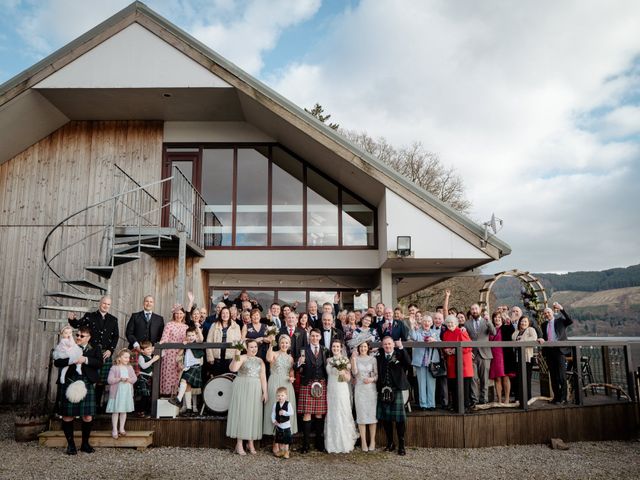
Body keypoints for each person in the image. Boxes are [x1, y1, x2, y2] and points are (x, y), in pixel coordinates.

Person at [54, 325, 102, 455]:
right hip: (69, 381)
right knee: (67, 415)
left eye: (82, 336)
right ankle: (71, 445)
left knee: (87, 416)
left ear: (89, 337)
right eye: (77, 335)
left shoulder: (95, 348)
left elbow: (99, 363)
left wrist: (85, 359)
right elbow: (57, 362)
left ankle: (85, 444)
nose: (78, 338)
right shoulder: (67, 345)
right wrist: (71, 360)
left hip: (86, 382)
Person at [68, 295, 118, 411]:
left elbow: (115, 336)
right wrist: (72, 319)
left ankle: (96, 405)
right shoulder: (90, 316)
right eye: (104, 303)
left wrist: (111, 350)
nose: (106, 306)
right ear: (100, 303)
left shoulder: (113, 319)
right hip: (92, 352)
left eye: (108, 304)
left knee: (101, 381)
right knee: (88, 377)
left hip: (105, 352)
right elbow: (78, 324)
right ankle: (84, 403)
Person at [226, 339, 268, 455]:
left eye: (255, 347)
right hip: (243, 387)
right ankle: (239, 444)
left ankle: (250, 442)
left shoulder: (260, 360)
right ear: (246, 348)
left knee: (253, 414)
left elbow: (263, 377)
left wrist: (265, 392)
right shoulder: (242, 357)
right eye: (251, 347)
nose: (254, 349)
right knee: (242, 413)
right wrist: (237, 353)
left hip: (256, 388)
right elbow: (234, 368)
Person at [376, 336, 410, 455]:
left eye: (389, 344)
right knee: (386, 419)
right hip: (383, 391)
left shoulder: (399, 354)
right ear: (382, 345)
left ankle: (401, 445)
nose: (387, 346)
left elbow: (408, 363)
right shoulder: (379, 356)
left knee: (400, 420)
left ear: (393, 345)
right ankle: (390, 443)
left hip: (396, 390)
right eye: (385, 344)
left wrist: (401, 347)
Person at [296, 329, 329, 453]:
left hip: (321, 383)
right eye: (312, 336)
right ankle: (305, 444)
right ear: (309, 337)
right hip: (307, 383)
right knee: (307, 413)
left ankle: (319, 444)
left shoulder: (325, 350)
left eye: (316, 336)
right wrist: (298, 363)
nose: (314, 338)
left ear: (320, 337)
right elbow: (295, 366)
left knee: (319, 413)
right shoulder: (303, 350)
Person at [263, 335, 298, 447]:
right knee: (275, 409)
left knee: (285, 410)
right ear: (279, 343)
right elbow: (268, 359)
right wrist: (270, 344)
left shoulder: (291, 358)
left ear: (289, 344)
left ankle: (284, 441)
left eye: (286, 343)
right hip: (275, 382)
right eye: (282, 343)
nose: (284, 345)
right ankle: (275, 442)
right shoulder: (274, 353)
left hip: (286, 384)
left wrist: (292, 378)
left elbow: (291, 371)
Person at [325, 339, 358, 453]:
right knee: (332, 412)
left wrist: (342, 373)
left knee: (342, 412)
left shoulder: (345, 360)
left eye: (337, 347)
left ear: (341, 348)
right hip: (331, 389)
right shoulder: (328, 360)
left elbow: (349, 378)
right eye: (333, 347)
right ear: (331, 348)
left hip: (342, 388)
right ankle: (332, 443)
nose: (335, 349)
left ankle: (344, 442)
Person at [540, 303, 573, 404]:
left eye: (548, 312)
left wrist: (561, 309)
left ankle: (563, 398)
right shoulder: (544, 324)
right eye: (545, 313)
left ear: (552, 313)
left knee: (561, 376)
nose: (547, 314)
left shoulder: (560, 321)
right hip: (549, 351)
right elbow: (545, 337)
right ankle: (556, 397)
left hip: (560, 351)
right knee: (553, 376)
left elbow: (570, 320)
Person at [169, 327, 204, 416]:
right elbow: (179, 354)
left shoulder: (198, 343)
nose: (191, 337)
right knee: (187, 387)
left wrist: (197, 327)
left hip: (195, 367)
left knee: (183, 381)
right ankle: (189, 408)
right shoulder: (186, 344)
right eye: (189, 335)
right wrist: (183, 345)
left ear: (196, 336)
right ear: (186, 336)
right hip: (187, 367)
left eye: (193, 335)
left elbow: (201, 338)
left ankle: (178, 399)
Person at [465, 303, 496, 405]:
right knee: (473, 379)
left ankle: (484, 400)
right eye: (472, 309)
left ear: (480, 310)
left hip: (485, 354)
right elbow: (465, 339)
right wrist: (468, 351)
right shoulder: (467, 323)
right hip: (472, 355)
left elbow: (493, 332)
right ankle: (475, 400)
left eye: (476, 309)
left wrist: (489, 322)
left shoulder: (486, 321)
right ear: (470, 311)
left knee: (484, 379)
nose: (474, 311)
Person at [441, 315, 473, 412]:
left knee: (464, 387)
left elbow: (469, 347)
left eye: (452, 323)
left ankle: (466, 407)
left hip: (463, 363)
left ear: (456, 323)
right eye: (448, 323)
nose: (450, 324)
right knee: (453, 386)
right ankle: (456, 406)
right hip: (451, 363)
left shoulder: (461, 331)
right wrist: (446, 350)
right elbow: (444, 346)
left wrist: (456, 351)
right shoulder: (445, 334)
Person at [351, 340, 378, 451]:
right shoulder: (355, 359)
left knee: (372, 416)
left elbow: (376, 375)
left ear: (368, 348)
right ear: (358, 348)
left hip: (371, 389)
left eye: (365, 346)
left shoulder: (373, 359)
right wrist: (352, 360)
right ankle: (363, 442)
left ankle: (372, 441)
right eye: (361, 347)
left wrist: (372, 379)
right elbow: (354, 373)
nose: (363, 348)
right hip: (360, 389)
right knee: (361, 415)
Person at [158, 304, 190, 396]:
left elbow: (188, 339)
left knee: (179, 375)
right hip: (169, 354)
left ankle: (177, 396)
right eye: (176, 313)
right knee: (169, 374)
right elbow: (164, 338)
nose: (178, 315)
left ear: (183, 314)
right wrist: (161, 343)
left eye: (180, 313)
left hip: (180, 353)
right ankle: (166, 394)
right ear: (174, 314)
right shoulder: (169, 325)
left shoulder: (186, 327)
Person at [410, 314, 440, 410]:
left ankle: (431, 404)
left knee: (431, 384)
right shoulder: (418, 332)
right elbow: (414, 337)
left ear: (431, 323)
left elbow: (441, 342)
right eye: (425, 321)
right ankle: (423, 404)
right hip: (421, 361)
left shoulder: (435, 332)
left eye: (428, 321)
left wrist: (434, 340)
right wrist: (411, 325)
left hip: (432, 361)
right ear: (422, 323)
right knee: (421, 384)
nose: (426, 323)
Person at [106, 348, 137, 438]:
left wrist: (129, 379)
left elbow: (134, 378)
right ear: (119, 358)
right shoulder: (114, 368)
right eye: (125, 357)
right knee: (116, 411)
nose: (128, 359)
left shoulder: (130, 368)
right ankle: (114, 429)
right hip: (117, 393)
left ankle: (122, 428)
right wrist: (119, 379)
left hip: (126, 393)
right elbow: (110, 380)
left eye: (128, 357)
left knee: (123, 411)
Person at [206, 306, 242, 376]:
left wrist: (237, 359)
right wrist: (210, 357)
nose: (225, 315)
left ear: (230, 314)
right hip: (216, 358)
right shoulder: (214, 325)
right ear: (220, 314)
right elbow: (209, 341)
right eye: (223, 313)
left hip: (230, 358)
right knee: (217, 379)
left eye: (227, 313)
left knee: (229, 378)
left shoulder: (236, 326)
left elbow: (239, 344)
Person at [513, 316, 541, 401]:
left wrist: (520, 340)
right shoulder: (517, 331)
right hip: (517, 358)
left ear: (528, 323)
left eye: (525, 321)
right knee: (518, 379)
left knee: (527, 379)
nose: (523, 323)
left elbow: (533, 339)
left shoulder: (530, 330)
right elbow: (513, 339)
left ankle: (527, 398)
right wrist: (519, 340)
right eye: (522, 321)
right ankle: (518, 398)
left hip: (527, 358)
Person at [488, 311, 509, 404]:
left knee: (505, 377)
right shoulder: (490, 329)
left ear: (502, 319)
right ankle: (499, 399)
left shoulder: (505, 328)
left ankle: (507, 398)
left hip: (503, 355)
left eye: (499, 318)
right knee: (497, 378)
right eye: (495, 317)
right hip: (493, 355)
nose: (497, 319)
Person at [135, 341, 160, 417]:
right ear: (142, 350)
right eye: (148, 349)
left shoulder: (150, 356)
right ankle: (140, 411)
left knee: (148, 395)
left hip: (149, 378)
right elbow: (143, 366)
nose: (150, 351)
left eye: (150, 349)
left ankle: (146, 410)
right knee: (143, 395)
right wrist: (153, 360)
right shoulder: (141, 357)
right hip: (142, 377)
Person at [271, 387, 294, 459]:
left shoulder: (288, 404)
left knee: (286, 440)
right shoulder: (276, 404)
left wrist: (284, 412)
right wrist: (273, 420)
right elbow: (273, 414)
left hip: (286, 426)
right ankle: (281, 451)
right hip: (279, 426)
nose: (280, 397)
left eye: (282, 395)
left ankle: (286, 451)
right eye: (278, 395)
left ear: (286, 396)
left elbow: (291, 413)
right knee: (280, 439)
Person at [431, 312, 448, 409]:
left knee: (443, 380)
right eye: (436, 318)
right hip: (432, 357)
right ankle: (434, 401)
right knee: (433, 379)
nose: (437, 320)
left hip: (443, 357)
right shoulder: (429, 328)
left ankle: (444, 402)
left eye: (439, 319)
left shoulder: (445, 328)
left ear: (442, 320)